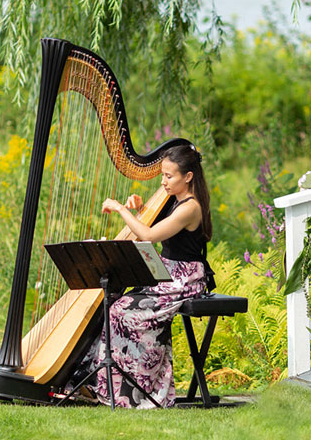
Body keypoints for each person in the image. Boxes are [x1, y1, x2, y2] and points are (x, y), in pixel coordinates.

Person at [67, 143, 214, 408]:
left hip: (184, 280)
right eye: (162, 175)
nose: (164, 181)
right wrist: (140, 207)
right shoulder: (175, 199)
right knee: (113, 302)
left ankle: (137, 388)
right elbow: (159, 226)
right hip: (167, 272)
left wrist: (120, 208)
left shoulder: (191, 207)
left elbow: (148, 235)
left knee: (122, 310)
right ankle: (105, 383)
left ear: (188, 177)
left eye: (169, 176)